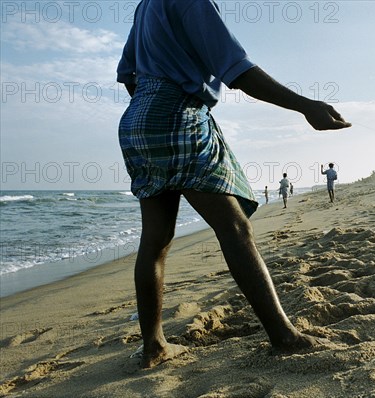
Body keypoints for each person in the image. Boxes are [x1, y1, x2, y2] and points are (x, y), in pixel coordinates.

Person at [117, 0, 351, 369]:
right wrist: (305, 105)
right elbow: (237, 70)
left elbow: (129, 75)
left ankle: (154, 346)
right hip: (177, 110)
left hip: (136, 120)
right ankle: (284, 337)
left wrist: (155, 115)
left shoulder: (146, 5)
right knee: (235, 228)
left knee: (156, 239)